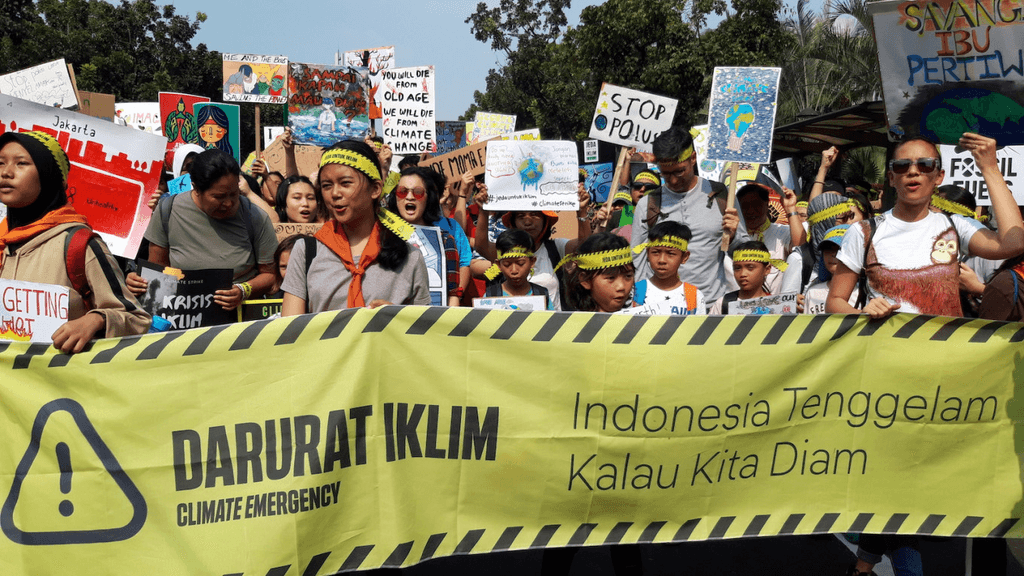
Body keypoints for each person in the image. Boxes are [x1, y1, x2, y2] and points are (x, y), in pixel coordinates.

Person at [827, 133, 1024, 320]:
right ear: (891, 177)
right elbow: (834, 302)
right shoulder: (864, 232)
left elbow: (1013, 243)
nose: (913, 171)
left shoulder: (955, 226)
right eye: (902, 166)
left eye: (925, 165)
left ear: (939, 176)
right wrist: (862, 314)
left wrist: (990, 168)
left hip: (945, 344)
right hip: (884, 343)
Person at [0, 131, 150, 352]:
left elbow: (136, 319)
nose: (6, 172)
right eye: (1, 163)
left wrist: (96, 320)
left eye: (21, 163)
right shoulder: (4, 241)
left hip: (58, 373)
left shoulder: (79, 244)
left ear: (48, 174)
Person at [281, 140, 430, 314]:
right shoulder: (306, 252)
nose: (335, 193)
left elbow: (421, 327)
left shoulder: (410, 258)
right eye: (327, 185)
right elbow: (290, 327)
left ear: (375, 189)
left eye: (345, 183)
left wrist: (395, 318)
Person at [127, 149, 279, 314]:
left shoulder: (255, 217)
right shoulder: (167, 211)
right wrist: (139, 282)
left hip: (239, 320)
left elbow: (270, 276)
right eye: (219, 197)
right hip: (181, 317)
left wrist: (243, 290)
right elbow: (157, 270)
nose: (229, 203)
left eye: (234, 194)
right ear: (197, 189)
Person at [631, 126, 742, 304]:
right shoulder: (648, 204)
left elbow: (742, 253)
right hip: (660, 308)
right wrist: (639, 302)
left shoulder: (722, 197)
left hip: (710, 306)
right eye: (666, 174)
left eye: (679, 171)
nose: (673, 179)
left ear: (693, 158)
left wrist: (734, 235)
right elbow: (637, 259)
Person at [474, 184, 592, 311]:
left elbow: (585, 245)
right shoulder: (505, 250)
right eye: (521, 216)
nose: (528, 222)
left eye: (535, 215)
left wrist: (582, 211)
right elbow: (481, 246)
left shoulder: (556, 247)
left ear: (545, 220)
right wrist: (483, 211)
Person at [387, 166, 471, 305]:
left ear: (428, 198)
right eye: (402, 192)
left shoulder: (445, 240)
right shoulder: (381, 236)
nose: (409, 197)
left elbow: (453, 293)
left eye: (418, 192)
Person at [734, 183, 803, 293]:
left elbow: (801, 248)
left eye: (756, 205)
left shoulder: (782, 232)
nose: (750, 211)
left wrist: (790, 208)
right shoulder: (731, 236)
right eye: (745, 206)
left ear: (767, 205)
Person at [631, 221, 705, 314]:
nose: (662, 260)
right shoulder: (635, 292)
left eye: (671, 253)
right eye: (655, 252)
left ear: (684, 257)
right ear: (647, 253)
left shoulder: (694, 296)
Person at [560, 233, 636, 313]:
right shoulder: (573, 321)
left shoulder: (638, 318)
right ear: (585, 280)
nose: (621, 286)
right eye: (611, 278)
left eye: (628, 276)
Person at [482, 229, 553, 310]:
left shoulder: (541, 295)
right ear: (499, 265)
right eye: (507, 264)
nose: (514, 271)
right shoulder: (490, 297)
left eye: (520, 263)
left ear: (532, 262)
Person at [800, 225, 857, 314]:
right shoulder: (813, 293)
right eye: (828, 249)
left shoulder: (864, 293)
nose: (833, 254)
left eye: (839, 249)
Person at [710, 241, 773, 315]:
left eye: (750, 268)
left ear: (767, 269)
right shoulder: (722, 304)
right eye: (737, 268)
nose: (743, 274)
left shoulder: (776, 304)